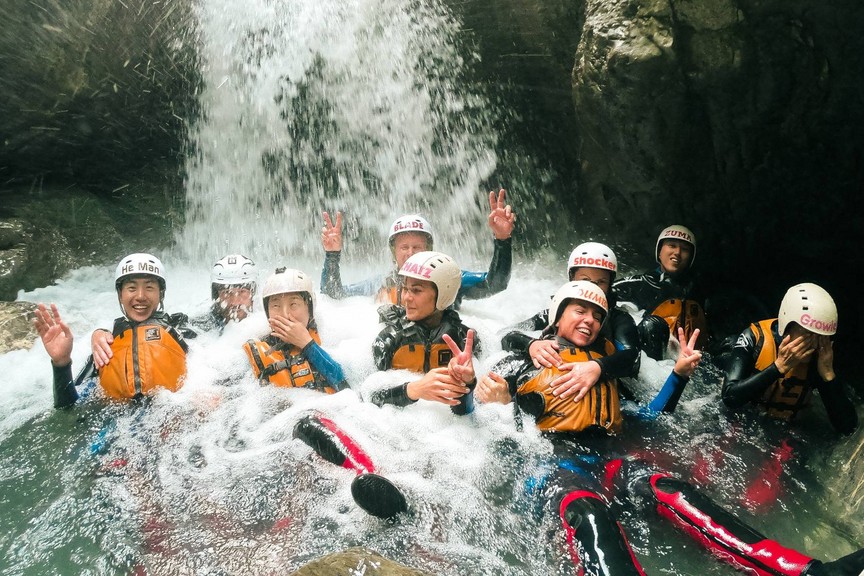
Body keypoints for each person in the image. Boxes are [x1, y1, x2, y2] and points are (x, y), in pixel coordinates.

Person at [475, 280, 862, 575]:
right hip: (557, 469)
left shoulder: (604, 369)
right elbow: (489, 400)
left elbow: (645, 417)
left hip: (611, 460)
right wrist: (483, 395)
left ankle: (803, 570)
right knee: (591, 517)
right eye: (579, 311)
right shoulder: (527, 359)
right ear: (557, 316)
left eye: (597, 315)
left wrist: (677, 376)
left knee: (675, 492)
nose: (590, 320)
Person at [35, 253, 194, 408]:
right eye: (131, 288)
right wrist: (61, 363)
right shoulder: (105, 346)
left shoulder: (179, 328)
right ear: (120, 294)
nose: (140, 296)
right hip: (116, 423)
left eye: (149, 287)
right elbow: (69, 408)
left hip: (171, 416)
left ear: (160, 293)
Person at [320, 188, 515, 307]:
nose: (410, 253)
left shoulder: (450, 280)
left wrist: (502, 240)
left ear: (429, 250)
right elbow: (333, 294)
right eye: (404, 247)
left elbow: (495, 284)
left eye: (417, 247)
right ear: (394, 252)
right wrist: (332, 255)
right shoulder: (381, 284)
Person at [500, 241, 640, 404]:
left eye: (601, 282)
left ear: (610, 285)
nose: (592, 287)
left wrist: (598, 367)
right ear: (571, 279)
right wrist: (531, 344)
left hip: (600, 377)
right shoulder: (559, 311)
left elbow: (632, 359)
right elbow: (506, 335)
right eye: (585, 279)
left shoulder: (619, 319)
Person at [722, 282, 857, 434]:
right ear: (786, 325)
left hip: (786, 431)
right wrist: (778, 367)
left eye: (821, 337)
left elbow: (848, 427)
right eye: (807, 334)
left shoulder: (821, 354)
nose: (813, 343)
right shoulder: (754, 338)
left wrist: (828, 375)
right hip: (740, 420)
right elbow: (729, 397)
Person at [366, 250, 478, 415]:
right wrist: (414, 390)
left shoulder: (463, 339)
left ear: (443, 295)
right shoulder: (389, 339)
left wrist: (468, 383)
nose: (406, 298)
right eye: (405, 289)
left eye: (416, 291)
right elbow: (368, 399)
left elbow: (465, 415)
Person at [243, 267, 348, 394]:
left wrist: (308, 345)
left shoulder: (333, 339)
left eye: (293, 304)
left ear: (309, 308)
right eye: (276, 306)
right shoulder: (251, 351)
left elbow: (346, 388)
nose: (285, 314)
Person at [614, 224, 708, 360]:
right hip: (655, 363)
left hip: (693, 359)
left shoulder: (698, 291)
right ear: (659, 252)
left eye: (685, 249)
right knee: (652, 325)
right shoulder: (639, 284)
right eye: (672, 245)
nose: (677, 252)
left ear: (691, 258)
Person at [193, 254, 257, 332]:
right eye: (226, 292)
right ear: (217, 296)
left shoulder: (266, 325)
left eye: (242, 291)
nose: (234, 302)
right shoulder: (201, 327)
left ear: (253, 294)